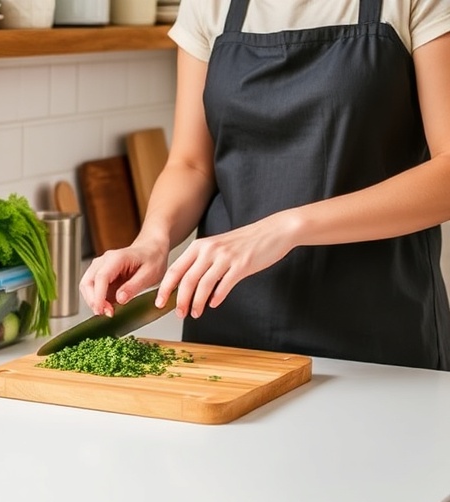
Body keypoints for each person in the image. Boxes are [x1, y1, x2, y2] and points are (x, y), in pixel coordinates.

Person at [79, 0, 450, 370]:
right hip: (229, 333)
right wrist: (152, 241)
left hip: (378, 335)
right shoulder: (209, 4)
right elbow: (191, 164)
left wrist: (286, 228)